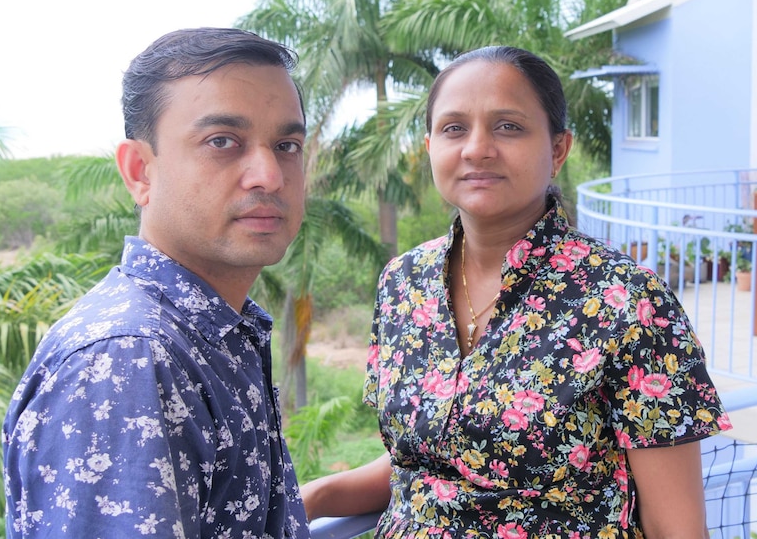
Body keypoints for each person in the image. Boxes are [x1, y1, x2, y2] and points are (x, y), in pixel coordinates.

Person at [300, 46, 732, 538]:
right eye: (454, 128)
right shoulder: (404, 282)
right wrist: (313, 497)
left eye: (508, 126)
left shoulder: (627, 301)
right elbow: (428, 459)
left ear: (558, 149)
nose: (477, 148)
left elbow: (677, 527)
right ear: (429, 147)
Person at [3, 27, 311, 538]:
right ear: (140, 171)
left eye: (286, 144)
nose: (269, 175)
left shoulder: (216, 329)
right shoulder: (130, 358)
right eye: (222, 142)